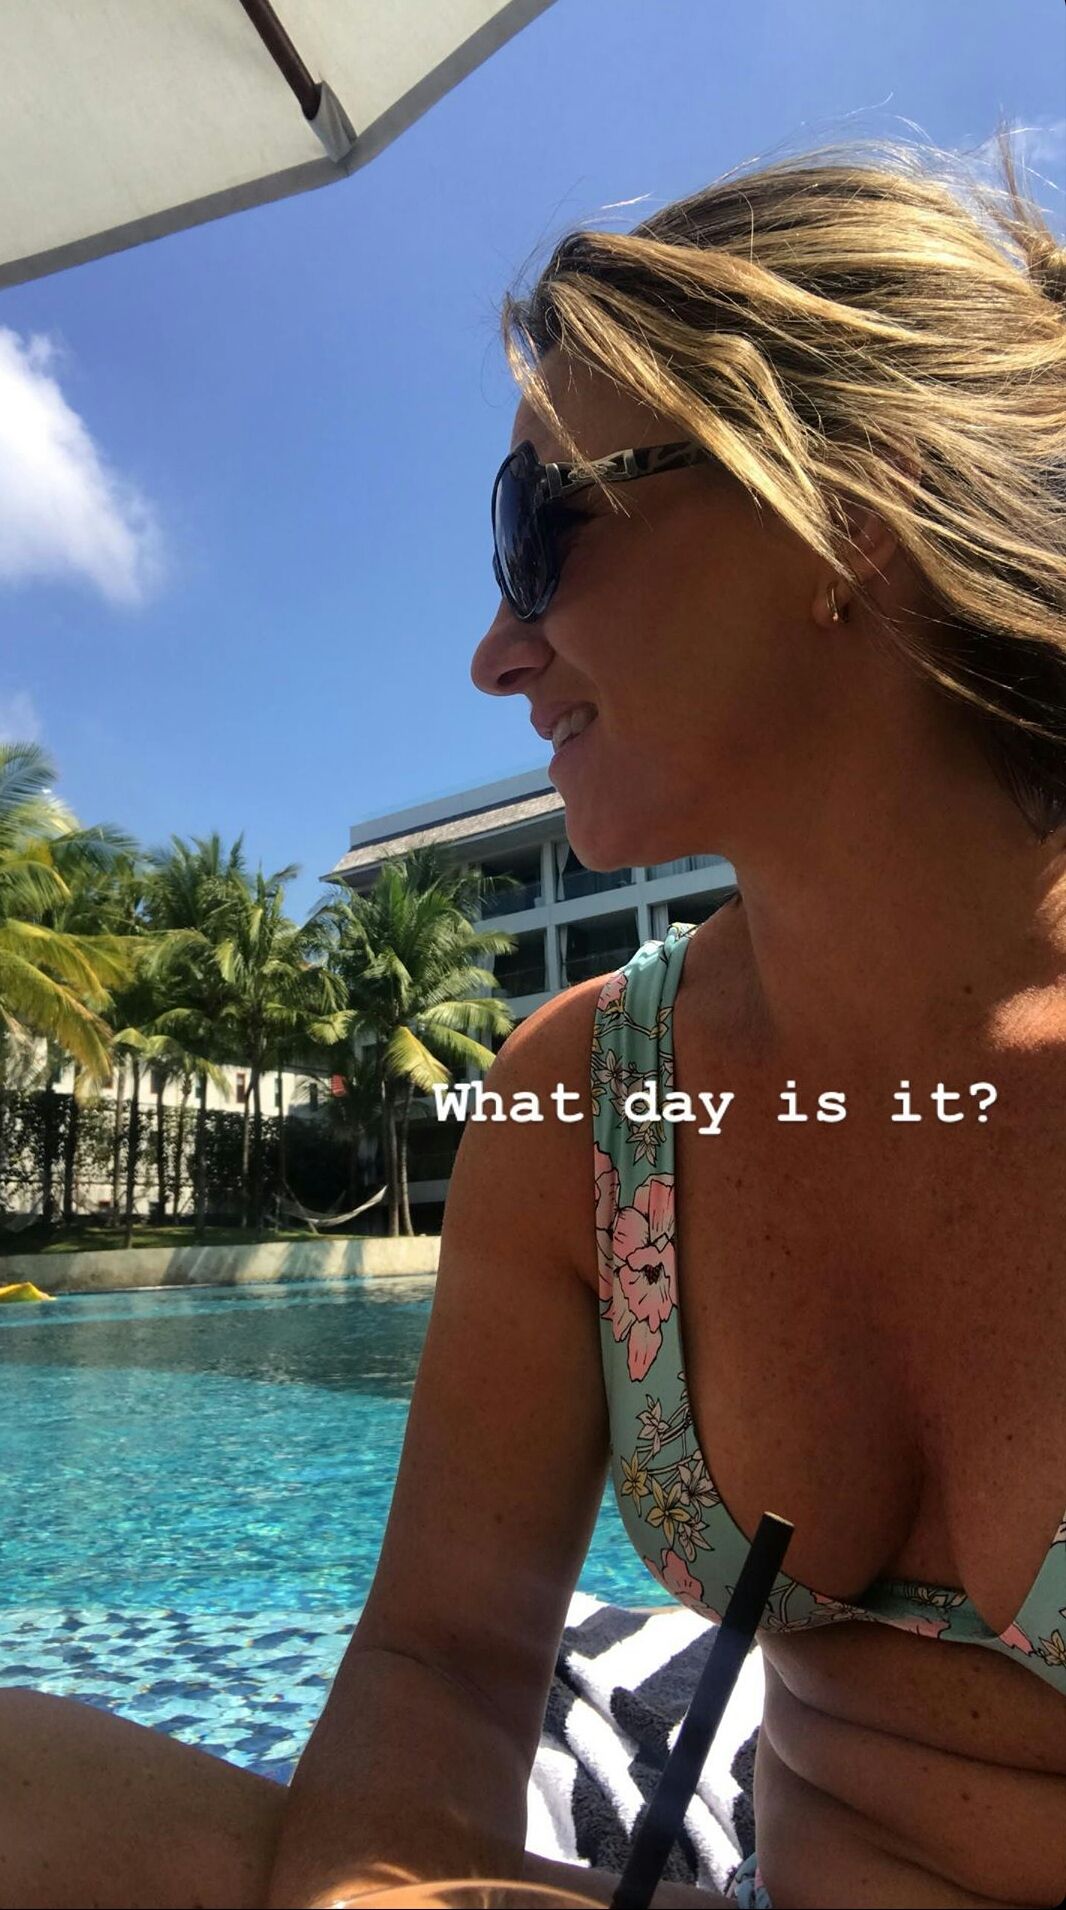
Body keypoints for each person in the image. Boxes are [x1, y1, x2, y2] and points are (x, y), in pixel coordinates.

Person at [2, 122, 1064, 1910]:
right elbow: (443, 1659)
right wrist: (379, 1895)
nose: (494, 650)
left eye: (538, 528)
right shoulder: (589, 1101)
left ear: (844, 508)